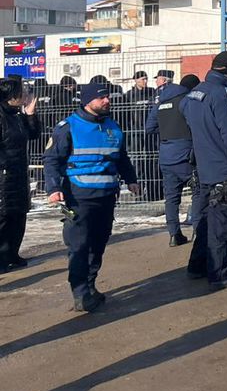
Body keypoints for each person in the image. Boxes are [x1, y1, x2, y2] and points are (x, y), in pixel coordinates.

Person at [43, 82, 141, 311]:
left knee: (98, 243)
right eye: (102, 98)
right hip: (79, 196)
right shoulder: (68, 127)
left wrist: (131, 179)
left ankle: (90, 285)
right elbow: (52, 160)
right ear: (87, 101)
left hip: (107, 195)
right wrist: (53, 188)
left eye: (107, 97)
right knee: (79, 245)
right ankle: (80, 293)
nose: (107, 101)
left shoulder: (113, 127)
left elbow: (122, 157)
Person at [180, 51, 227, 289]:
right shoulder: (225, 95)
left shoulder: (195, 93)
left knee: (206, 219)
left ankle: (197, 265)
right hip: (226, 167)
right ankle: (220, 273)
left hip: (205, 165)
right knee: (222, 224)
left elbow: (185, 114)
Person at [145, 73, 201, 247]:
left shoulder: (160, 102)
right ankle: (199, 232)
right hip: (186, 154)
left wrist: (167, 133)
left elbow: (149, 128)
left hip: (166, 155)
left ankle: (174, 235)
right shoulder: (188, 100)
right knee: (199, 192)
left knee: (171, 198)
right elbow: (197, 124)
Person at [0, 76, 40, 271]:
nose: (24, 95)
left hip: (18, 173)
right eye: (20, 92)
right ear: (10, 96)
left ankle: (12, 254)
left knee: (18, 215)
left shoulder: (16, 115)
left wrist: (30, 115)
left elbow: (33, 134)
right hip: (4, 176)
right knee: (4, 217)